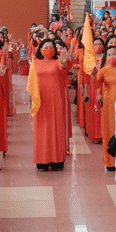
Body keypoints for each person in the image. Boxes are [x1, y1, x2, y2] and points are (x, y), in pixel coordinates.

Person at [29, 39, 71, 171]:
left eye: (51, 47)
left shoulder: (58, 62)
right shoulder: (35, 62)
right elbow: (31, 82)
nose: (48, 49)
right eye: (45, 47)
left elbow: (63, 68)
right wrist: (32, 99)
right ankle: (42, 161)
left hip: (55, 99)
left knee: (56, 127)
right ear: (40, 49)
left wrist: (64, 63)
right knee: (41, 129)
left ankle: (57, 160)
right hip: (40, 100)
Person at [94, 45, 116, 170]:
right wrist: (92, 74)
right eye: (109, 54)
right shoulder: (103, 71)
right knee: (108, 130)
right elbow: (96, 84)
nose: (112, 57)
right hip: (108, 104)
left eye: (114, 54)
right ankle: (110, 161)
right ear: (106, 56)